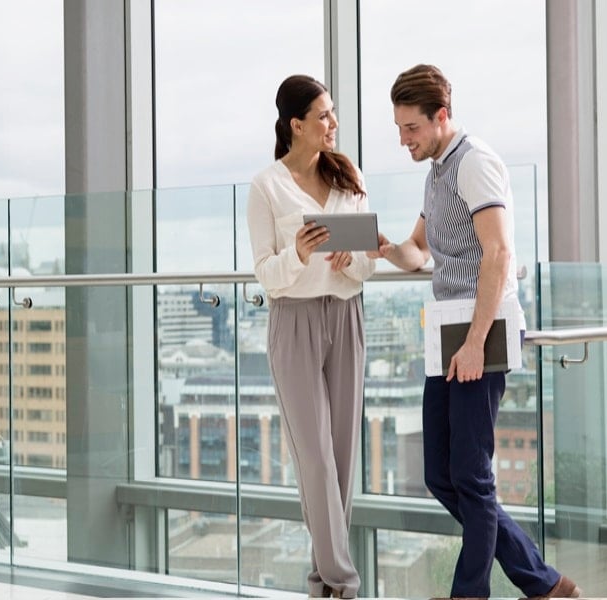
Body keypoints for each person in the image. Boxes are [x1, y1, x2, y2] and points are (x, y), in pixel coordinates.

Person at [371, 64, 582, 599]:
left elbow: (499, 253)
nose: (404, 139)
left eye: (411, 128)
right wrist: (387, 249)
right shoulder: (436, 172)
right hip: (448, 328)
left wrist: (473, 343)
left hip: (480, 330)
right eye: (399, 128)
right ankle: (544, 583)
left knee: (471, 474)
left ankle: (471, 594)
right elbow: (419, 251)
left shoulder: (475, 163)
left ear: (441, 116)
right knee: (442, 475)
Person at [246, 74, 375, 599]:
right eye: (323, 115)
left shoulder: (348, 176)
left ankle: (323, 581)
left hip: (346, 316)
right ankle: (344, 583)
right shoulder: (266, 187)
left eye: (333, 112)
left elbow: (368, 263)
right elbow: (265, 274)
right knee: (315, 458)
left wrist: (352, 259)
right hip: (294, 321)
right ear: (296, 125)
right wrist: (299, 253)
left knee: (341, 456)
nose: (333, 123)